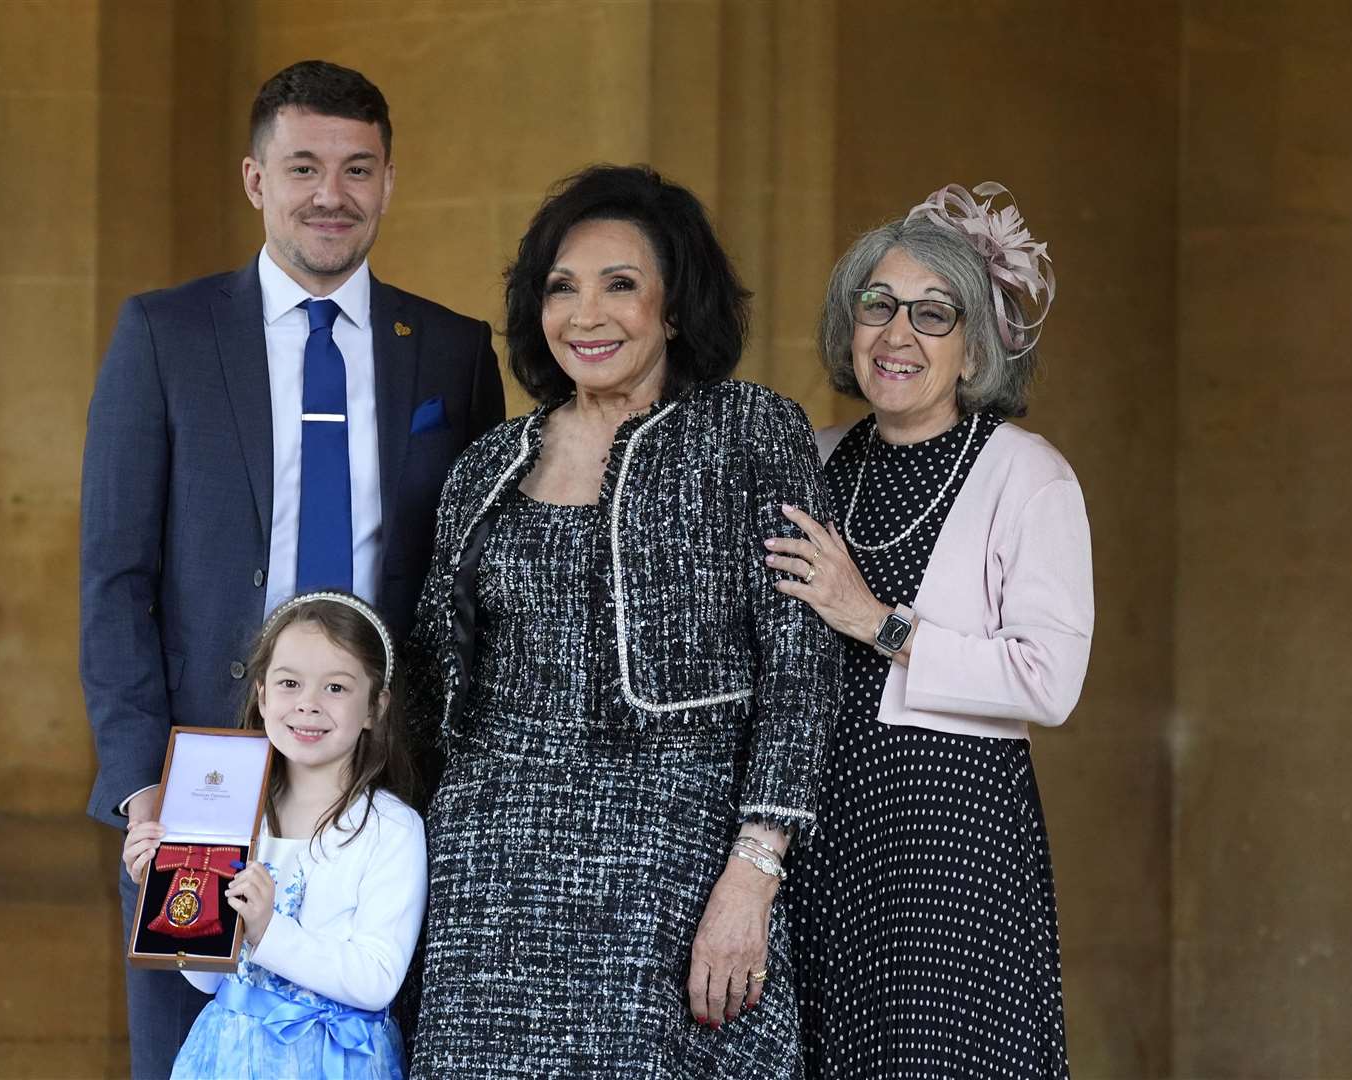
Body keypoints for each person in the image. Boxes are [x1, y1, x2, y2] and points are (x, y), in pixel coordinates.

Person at [81, 60, 503, 1078]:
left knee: (367, 1037)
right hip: (206, 773)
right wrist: (143, 784)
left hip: (381, 767)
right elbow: (116, 576)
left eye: (358, 169)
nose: (332, 194)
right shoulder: (167, 336)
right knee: (197, 1045)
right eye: (303, 166)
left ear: (389, 183)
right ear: (254, 179)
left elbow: (476, 577)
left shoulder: (447, 350)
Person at [404, 164, 839, 1079]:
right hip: (489, 870)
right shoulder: (486, 464)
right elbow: (431, 687)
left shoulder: (749, 432)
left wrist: (752, 875)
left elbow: (799, 670)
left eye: (620, 285)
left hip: (670, 864)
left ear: (674, 308)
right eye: (561, 288)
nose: (585, 313)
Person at [768, 183, 1092, 1078]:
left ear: (974, 346)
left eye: (931, 313)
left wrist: (875, 621)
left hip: (948, 835)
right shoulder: (817, 459)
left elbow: (1047, 680)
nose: (896, 334)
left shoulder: (1026, 476)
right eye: (876, 306)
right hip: (819, 825)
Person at [123, 591, 427, 1080]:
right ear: (262, 695)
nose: (308, 704)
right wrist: (163, 889)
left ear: (375, 706)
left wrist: (268, 930)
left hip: (335, 1062)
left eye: (336, 688)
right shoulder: (231, 815)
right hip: (225, 1057)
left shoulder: (390, 829)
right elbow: (203, 979)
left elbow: (376, 979)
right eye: (289, 683)